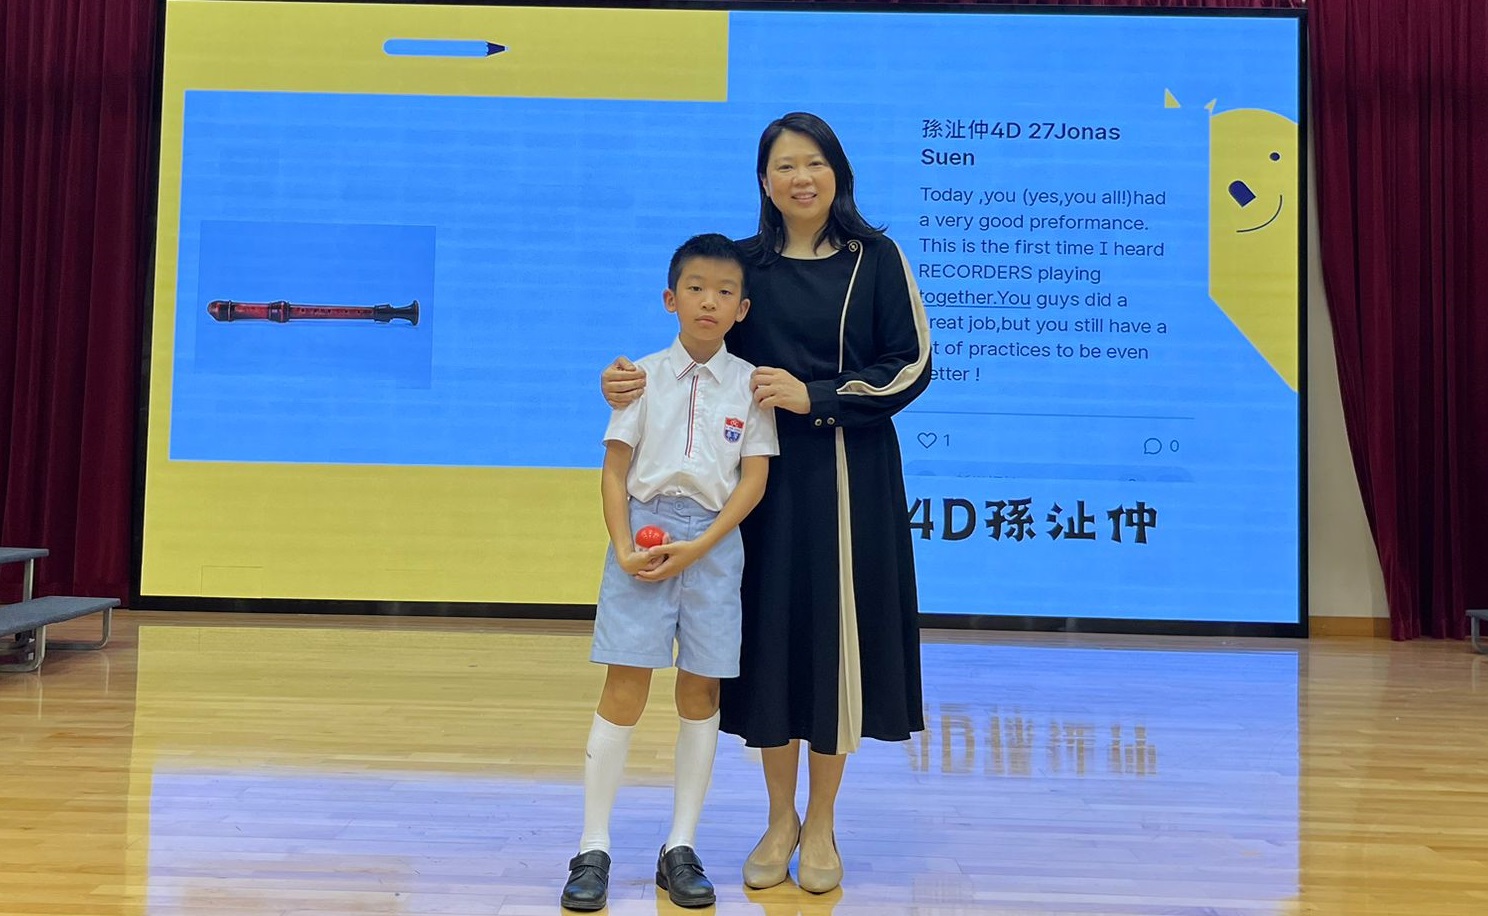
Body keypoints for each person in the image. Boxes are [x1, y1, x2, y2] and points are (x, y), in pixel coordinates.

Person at [601, 112, 931, 894]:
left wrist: (818, 395)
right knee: (770, 649)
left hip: (847, 477)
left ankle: (822, 824)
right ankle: (779, 817)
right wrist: (627, 381)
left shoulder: (877, 259)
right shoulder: (742, 266)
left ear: (837, 172)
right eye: (784, 166)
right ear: (764, 180)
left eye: (813, 163)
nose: (800, 178)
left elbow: (911, 364)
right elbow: (697, 349)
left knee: (833, 646)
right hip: (752, 483)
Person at [563, 233, 779, 911]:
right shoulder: (641, 376)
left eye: (724, 292)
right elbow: (615, 470)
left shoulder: (752, 385)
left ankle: (680, 846)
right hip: (644, 536)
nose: (709, 302)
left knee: (701, 691)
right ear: (670, 299)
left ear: (743, 308)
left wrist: (704, 544)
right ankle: (593, 847)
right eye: (695, 289)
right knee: (624, 686)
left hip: (715, 543)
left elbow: (753, 480)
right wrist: (624, 545)